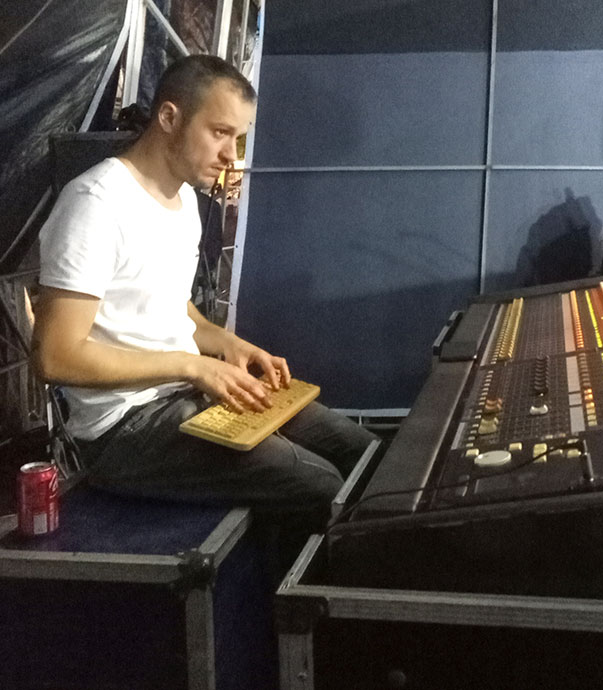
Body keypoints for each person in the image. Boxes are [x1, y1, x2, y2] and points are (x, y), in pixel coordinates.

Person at [31, 55, 377, 569]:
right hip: (122, 431)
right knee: (321, 484)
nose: (230, 155)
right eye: (219, 133)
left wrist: (228, 344)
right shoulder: (94, 204)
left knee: (361, 451)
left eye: (238, 138)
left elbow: (174, 309)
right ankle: (296, 611)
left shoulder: (184, 203)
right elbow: (56, 357)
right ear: (169, 117)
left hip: (184, 395)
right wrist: (193, 366)